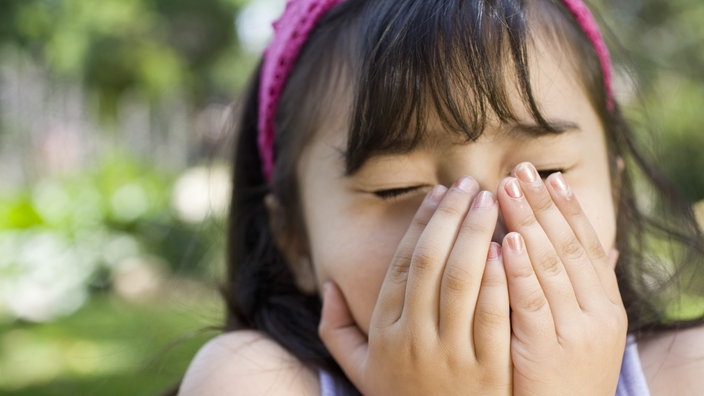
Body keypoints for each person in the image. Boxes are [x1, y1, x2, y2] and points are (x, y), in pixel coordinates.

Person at [178, 0, 704, 394]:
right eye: (398, 188)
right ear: (294, 241)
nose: (485, 226)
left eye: (543, 172)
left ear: (613, 191)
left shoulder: (685, 372)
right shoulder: (252, 379)